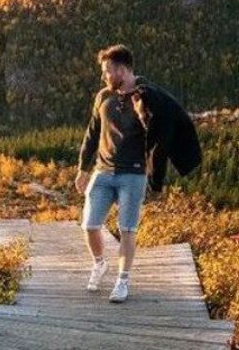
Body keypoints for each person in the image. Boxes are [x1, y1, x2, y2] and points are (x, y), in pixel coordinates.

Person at [74, 44, 201, 303]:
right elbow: (92, 133)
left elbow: (163, 134)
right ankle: (100, 264)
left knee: (127, 229)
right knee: (90, 225)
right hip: (103, 171)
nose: (104, 77)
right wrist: (82, 169)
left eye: (107, 71)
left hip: (133, 175)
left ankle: (122, 281)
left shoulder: (148, 98)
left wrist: (156, 178)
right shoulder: (103, 97)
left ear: (122, 70)